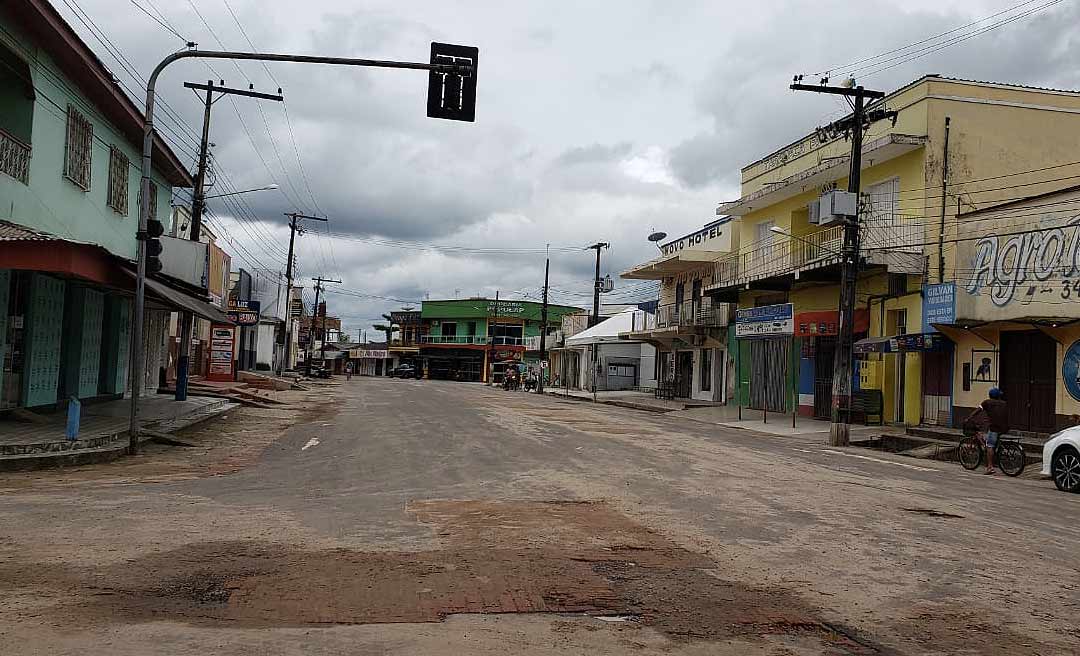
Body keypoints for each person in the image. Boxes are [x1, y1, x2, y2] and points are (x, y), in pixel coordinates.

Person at [968, 387, 1008, 474]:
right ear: (998, 396)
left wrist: (969, 417)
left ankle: (990, 467)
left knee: (989, 446)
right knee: (992, 441)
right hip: (1004, 427)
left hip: (994, 427)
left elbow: (977, 411)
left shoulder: (987, 402)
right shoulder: (1004, 403)